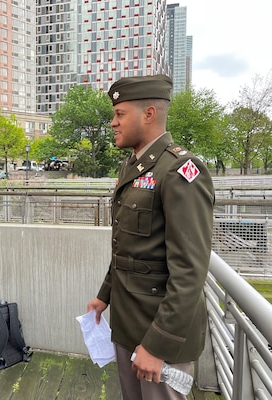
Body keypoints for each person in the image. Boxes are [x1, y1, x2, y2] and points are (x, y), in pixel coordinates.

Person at [87, 75, 215, 400]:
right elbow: (128, 247)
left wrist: (157, 345)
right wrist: (105, 295)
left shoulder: (180, 171)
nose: (113, 123)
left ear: (149, 114)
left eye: (120, 114)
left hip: (160, 335)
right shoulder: (134, 165)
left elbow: (190, 272)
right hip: (128, 321)